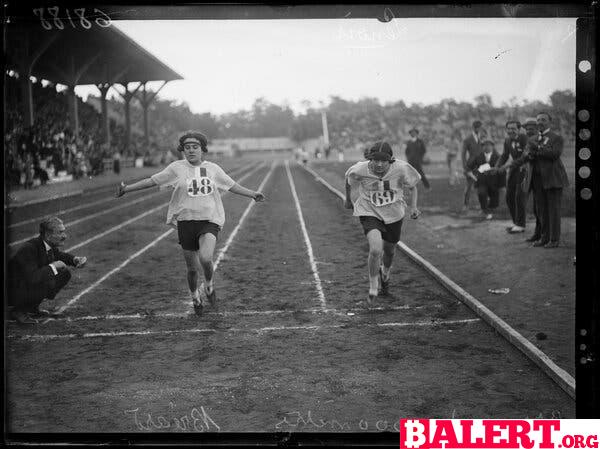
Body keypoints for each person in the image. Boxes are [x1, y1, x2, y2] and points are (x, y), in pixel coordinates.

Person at [116, 131, 266, 315]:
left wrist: (252, 194)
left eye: (195, 147)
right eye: (187, 148)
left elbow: (232, 185)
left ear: (203, 150)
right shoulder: (176, 168)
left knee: (205, 258)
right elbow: (152, 181)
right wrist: (127, 188)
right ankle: (195, 297)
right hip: (186, 222)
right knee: (192, 270)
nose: (191, 151)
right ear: (182, 150)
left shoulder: (213, 169)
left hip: (209, 220)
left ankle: (209, 285)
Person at [344, 141, 421, 305]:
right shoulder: (360, 169)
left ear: (390, 160)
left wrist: (414, 207)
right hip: (369, 211)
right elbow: (348, 179)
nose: (379, 164)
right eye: (375, 160)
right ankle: (373, 287)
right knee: (375, 249)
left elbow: (413, 187)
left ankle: (385, 273)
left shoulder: (401, 168)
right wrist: (348, 200)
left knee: (390, 251)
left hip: (394, 213)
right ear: (370, 158)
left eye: (383, 161)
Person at [7, 217, 87, 324]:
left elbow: (59, 255)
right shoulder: (29, 248)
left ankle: (31, 307)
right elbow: (32, 278)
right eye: (60, 232)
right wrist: (54, 266)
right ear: (48, 235)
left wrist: (74, 259)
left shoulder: (46, 244)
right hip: (12, 291)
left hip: (24, 286)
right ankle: (19, 311)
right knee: (46, 276)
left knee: (64, 274)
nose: (65, 236)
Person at [520, 112, 569, 248]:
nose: (540, 122)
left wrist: (538, 149)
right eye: (538, 120)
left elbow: (554, 154)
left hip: (553, 178)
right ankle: (544, 237)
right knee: (541, 210)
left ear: (549, 122)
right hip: (537, 179)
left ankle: (554, 239)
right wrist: (529, 155)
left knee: (553, 210)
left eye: (543, 119)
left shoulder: (556, 138)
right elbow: (526, 156)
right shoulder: (533, 138)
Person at [495, 120, 529, 233]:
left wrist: (507, 166)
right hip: (514, 169)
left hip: (525, 169)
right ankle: (516, 222)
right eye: (508, 128)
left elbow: (525, 157)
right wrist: (497, 166)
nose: (511, 131)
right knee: (509, 196)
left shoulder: (524, 138)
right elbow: (504, 155)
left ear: (519, 129)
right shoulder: (507, 140)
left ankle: (521, 224)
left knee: (519, 196)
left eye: (513, 128)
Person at [466, 140, 504, 220]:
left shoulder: (498, 157)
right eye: (484, 145)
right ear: (482, 147)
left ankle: (492, 211)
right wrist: (475, 175)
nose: (486, 147)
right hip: (482, 181)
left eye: (489, 145)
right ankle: (484, 210)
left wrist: (502, 184)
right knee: (481, 193)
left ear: (492, 146)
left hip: (494, 182)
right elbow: (470, 167)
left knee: (494, 200)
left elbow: (502, 171)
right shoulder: (478, 157)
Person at [461, 120, 484, 212]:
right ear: (473, 128)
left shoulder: (482, 138)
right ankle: (465, 205)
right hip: (471, 165)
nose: (478, 129)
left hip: (481, 166)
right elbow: (463, 154)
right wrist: (465, 166)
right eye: (476, 127)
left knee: (481, 185)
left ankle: (481, 205)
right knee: (469, 186)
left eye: (479, 127)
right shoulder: (467, 139)